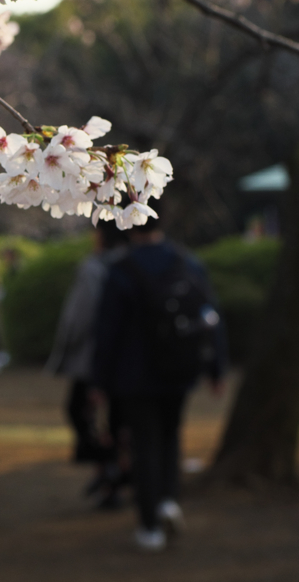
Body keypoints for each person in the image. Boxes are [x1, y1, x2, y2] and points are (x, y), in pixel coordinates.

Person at [93, 213, 227, 552]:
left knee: (144, 444)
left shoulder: (120, 268)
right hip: (180, 370)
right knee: (170, 435)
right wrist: (216, 369)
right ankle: (168, 500)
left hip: (135, 374)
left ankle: (149, 525)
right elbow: (210, 316)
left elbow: (106, 330)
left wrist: (98, 380)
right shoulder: (188, 262)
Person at [45, 221, 130, 508]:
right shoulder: (133, 262)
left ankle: (109, 473)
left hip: (93, 358)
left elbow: (78, 318)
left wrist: (64, 351)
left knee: (82, 413)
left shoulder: (94, 267)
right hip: (128, 359)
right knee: (117, 420)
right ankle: (114, 473)